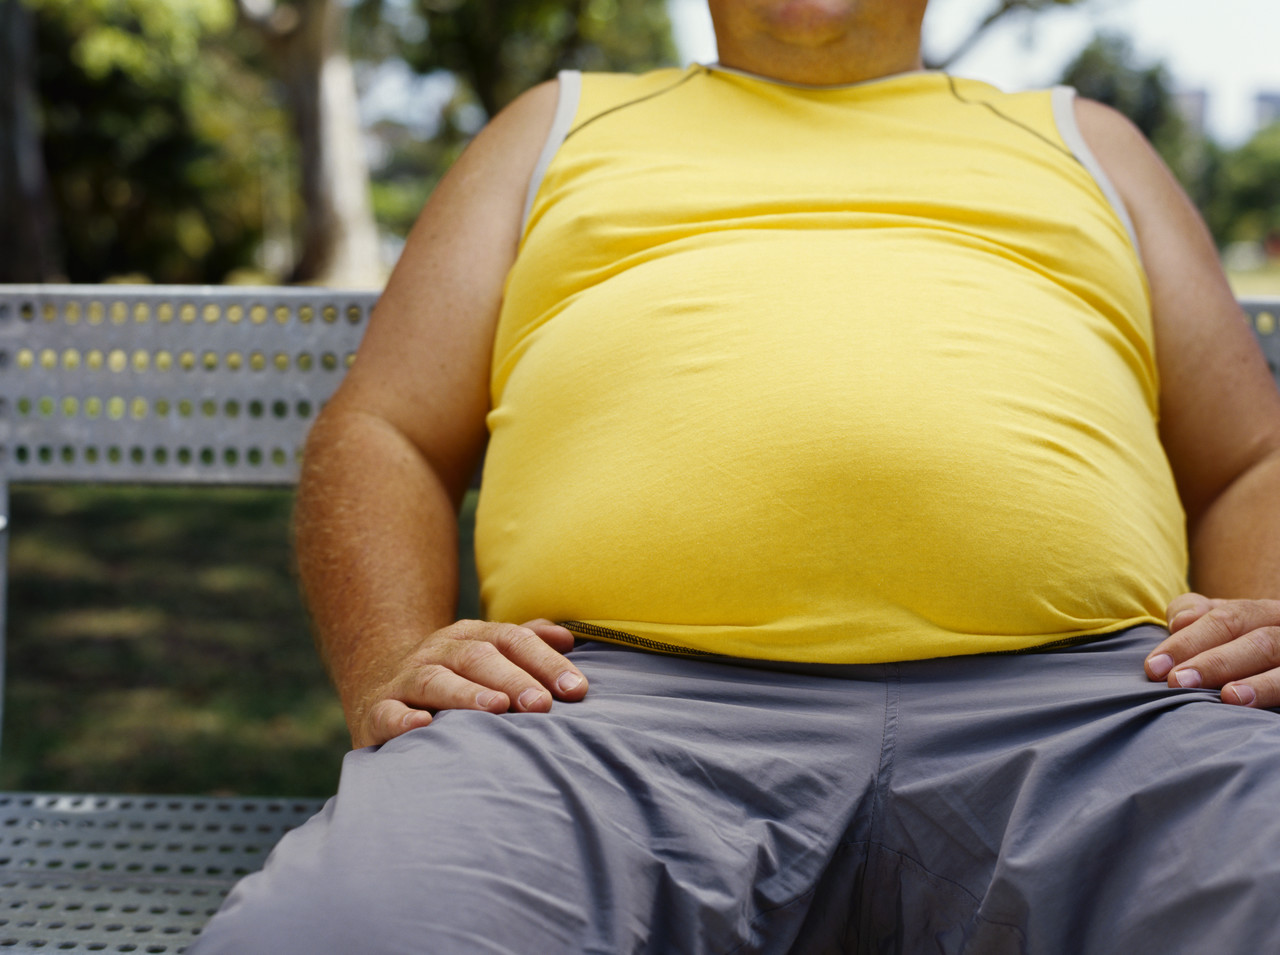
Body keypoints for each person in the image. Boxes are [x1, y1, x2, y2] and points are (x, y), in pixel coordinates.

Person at [191, 1, 1280, 951]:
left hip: (1106, 713)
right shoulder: (558, 121)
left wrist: (1258, 627)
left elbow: (1249, 457)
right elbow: (383, 426)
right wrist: (390, 656)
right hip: (599, 717)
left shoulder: (1082, 140)